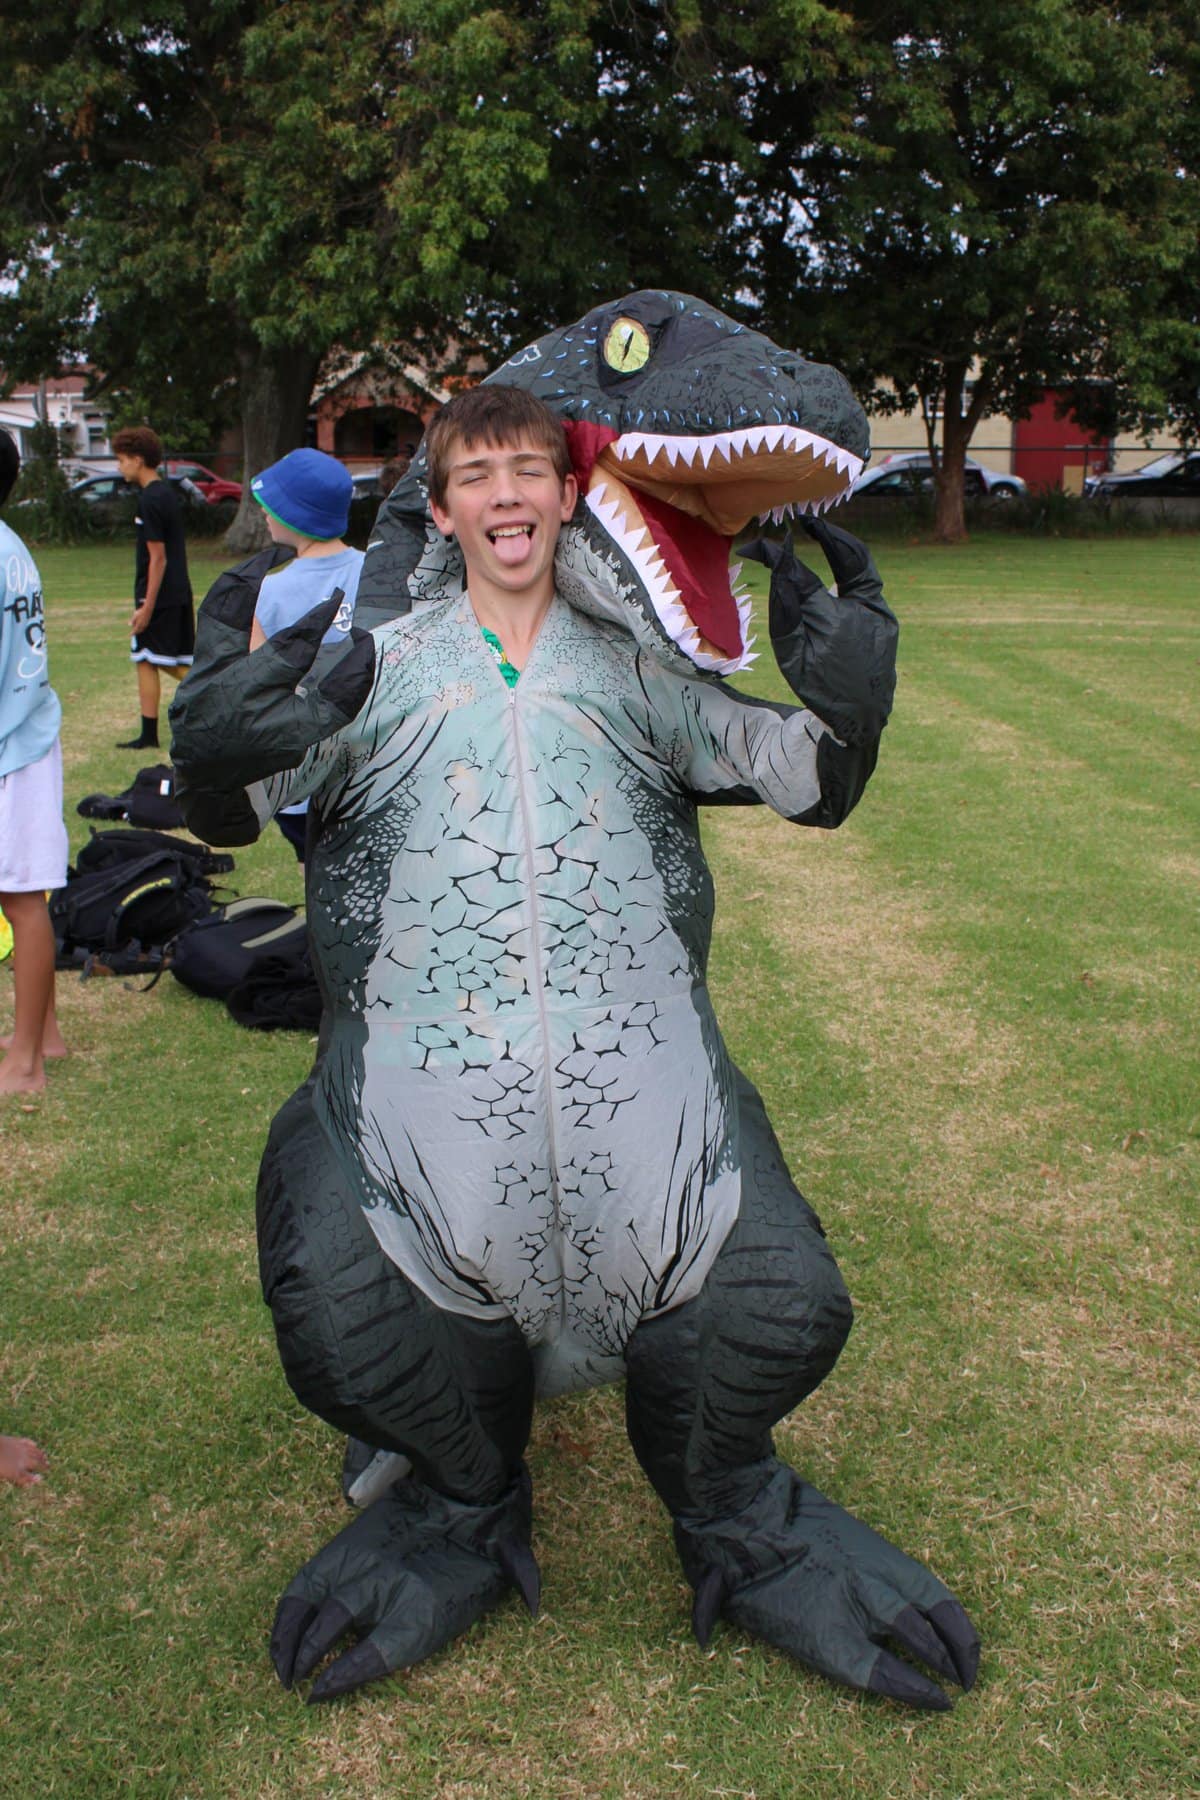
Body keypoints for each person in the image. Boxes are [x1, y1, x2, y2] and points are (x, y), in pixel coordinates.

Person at [172, 370, 976, 1710]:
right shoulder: (376, 667)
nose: (506, 495)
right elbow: (242, 800)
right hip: (427, 1160)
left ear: (565, 494)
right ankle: (461, 1501)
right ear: (440, 509)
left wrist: (851, 714)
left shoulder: (636, 664)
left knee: (781, 1305)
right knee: (346, 1313)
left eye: (529, 471)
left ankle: (738, 1508)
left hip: (650, 1148)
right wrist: (212, 750)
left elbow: (798, 778)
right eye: (477, 475)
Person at [247, 448, 364, 862]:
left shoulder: (267, 593)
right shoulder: (378, 572)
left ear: (296, 514)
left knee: (315, 870)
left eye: (272, 505)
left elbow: (258, 688)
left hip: (303, 777)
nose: (264, 513)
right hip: (373, 768)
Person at [0, 429, 69, 1094]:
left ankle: (26, 1064)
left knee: (20, 899)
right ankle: (43, 1033)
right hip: (26, 736)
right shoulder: (9, 543)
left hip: (12, 747)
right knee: (24, 894)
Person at [112, 425, 194, 750]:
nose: (120, 466)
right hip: (172, 593)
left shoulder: (151, 499)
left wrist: (147, 605)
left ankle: (220, 692)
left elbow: (158, 558)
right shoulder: (162, 493)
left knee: (165, 661)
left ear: (138, 459)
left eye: (122, 460)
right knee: (147, 658)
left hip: (161, 596)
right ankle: (148, 735)